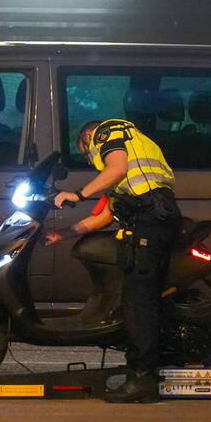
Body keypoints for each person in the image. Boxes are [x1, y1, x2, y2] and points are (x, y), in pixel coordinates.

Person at [48, 118, 180, 403]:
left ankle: (143, 380)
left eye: (86, 152)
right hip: (153, 215)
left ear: (87, 136)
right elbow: (105, 215)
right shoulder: (130, 177)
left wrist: (78, 194)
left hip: (149, 217)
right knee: (141, 298)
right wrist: (64, 234)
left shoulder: (108, 131)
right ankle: (143, 371)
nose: (91, 158)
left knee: (138, 301)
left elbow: (115, 167)